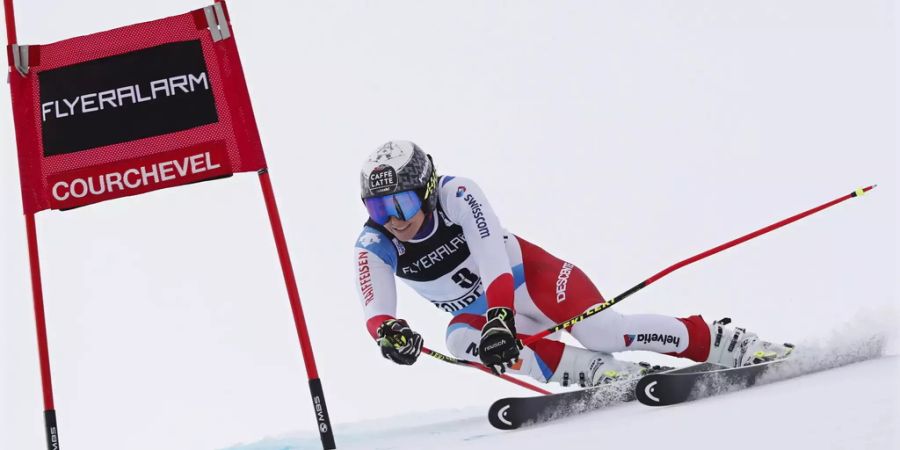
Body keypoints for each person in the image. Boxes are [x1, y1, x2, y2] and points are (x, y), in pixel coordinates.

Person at [354, 141, 791, 387]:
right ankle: (599, 374)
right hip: (493, 318)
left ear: (427, 190)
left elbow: (492, 260)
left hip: (532, 282)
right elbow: (377, 312)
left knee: (605, 332)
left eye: (403, 201)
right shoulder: (375, 243)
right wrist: (390, 335)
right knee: (459, 339)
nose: (394, 219)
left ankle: (723, 343)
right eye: (378, 209)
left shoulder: (458, 195)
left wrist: (500, 315)